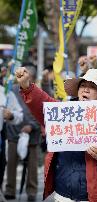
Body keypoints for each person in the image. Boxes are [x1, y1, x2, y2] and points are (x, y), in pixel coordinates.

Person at [15, 67, 97, 202]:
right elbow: (42, 104)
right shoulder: (64, 113)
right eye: (83, 85)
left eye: (93, 86)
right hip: (62, 196)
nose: (85, 89)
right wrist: (26, 86)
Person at [4, 64, 41, 201]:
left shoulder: (38, 92)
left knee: (32, 165)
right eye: (20, 76)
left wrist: (32, 126)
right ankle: (10, 189)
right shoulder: (11, 91)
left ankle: (31, 191)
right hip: (14, 132)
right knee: (12, 162)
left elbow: (42, 113)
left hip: (32, 134)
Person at [0, 82, 23, 202]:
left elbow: (19, 114)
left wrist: (11, 115)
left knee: (1, 165)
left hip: (1, 139)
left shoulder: (5, 93)